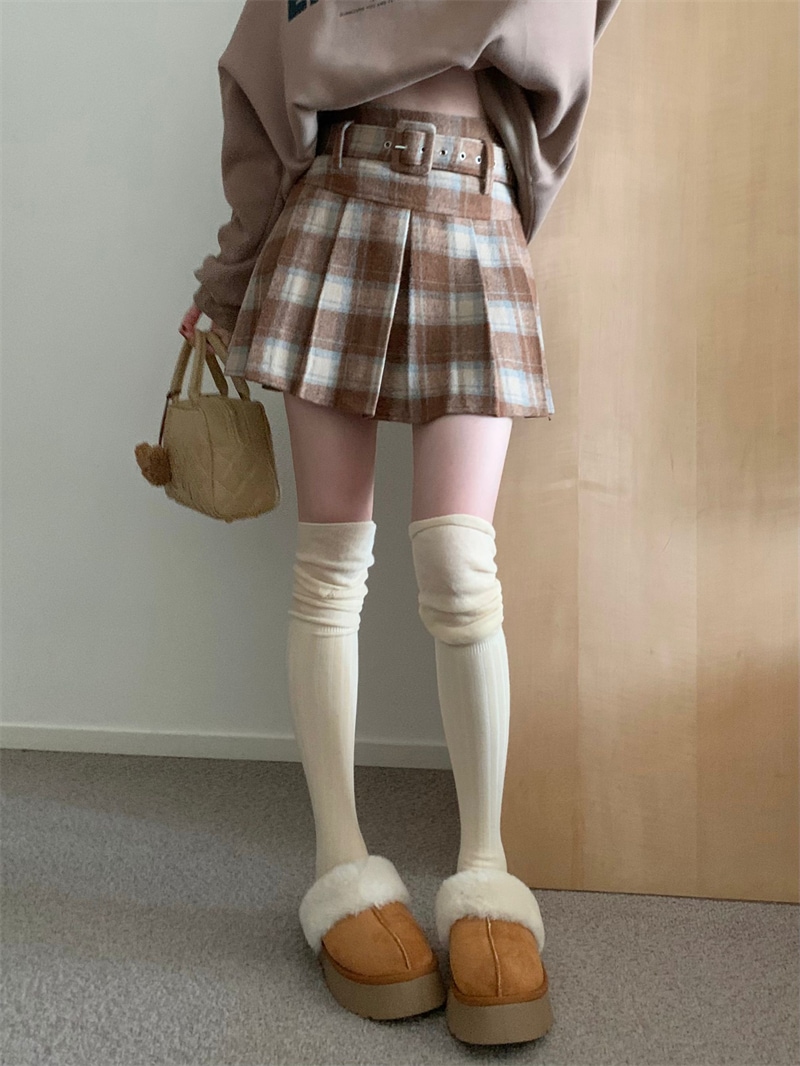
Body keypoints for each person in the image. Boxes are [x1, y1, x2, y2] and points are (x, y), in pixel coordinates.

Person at [179, 0, 620, 1046]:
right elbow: (257, 90)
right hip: (333, 205)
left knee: (461, 567)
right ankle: (341, 864)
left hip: (475, 208)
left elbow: (563, 90)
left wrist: (503, 203)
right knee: (331, 565)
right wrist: (228, 282)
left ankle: (485, 870)